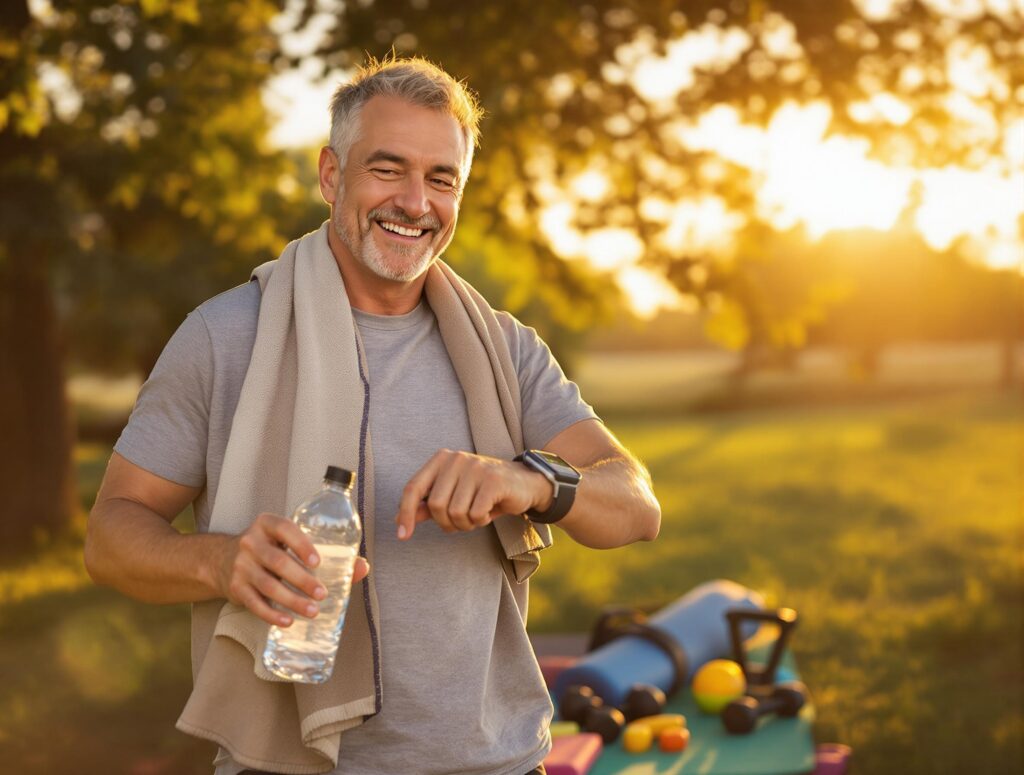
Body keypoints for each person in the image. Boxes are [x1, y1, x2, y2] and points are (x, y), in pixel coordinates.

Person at [84, 57, 661, 775]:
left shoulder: (506, 348)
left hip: (500, 762)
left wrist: (533, 481)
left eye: (441, 178)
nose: (416, 202)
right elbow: (110, 535)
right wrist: (220, 559)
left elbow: (635, 503)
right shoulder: (223, 337)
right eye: (388, 170)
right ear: (332, 176)